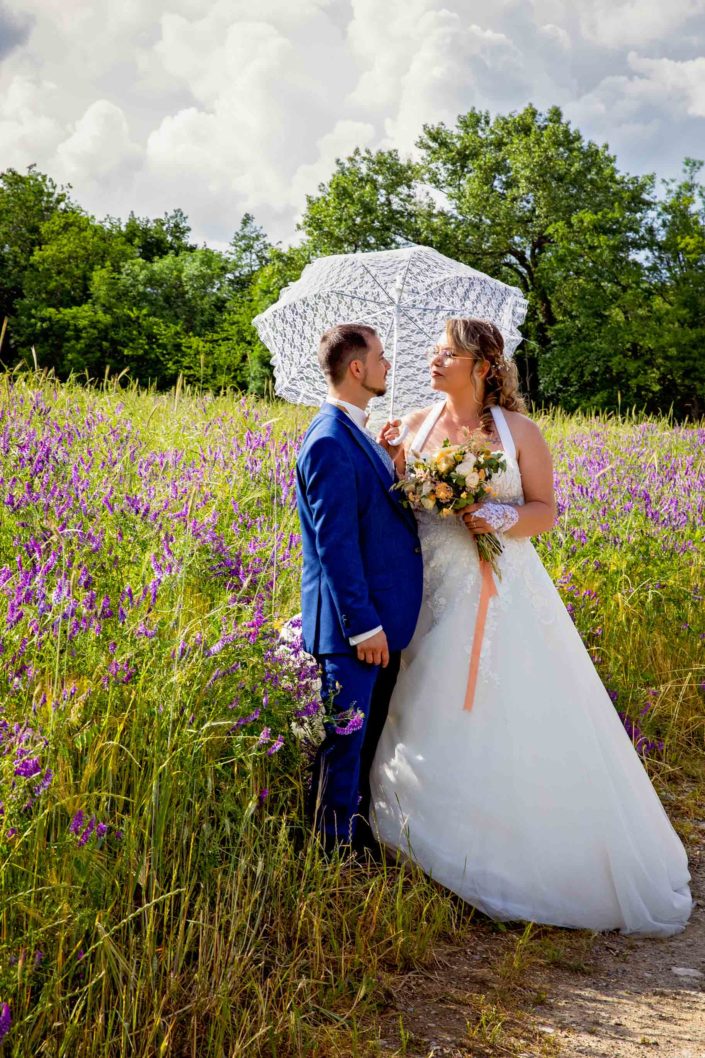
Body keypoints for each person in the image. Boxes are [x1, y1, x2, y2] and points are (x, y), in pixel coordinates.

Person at [369, 317, 692, 935]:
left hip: (504, 593)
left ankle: (505, 862)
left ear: (482, 366)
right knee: (422, 703)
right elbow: (401, 503)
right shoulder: (413, 425)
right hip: (430, 588)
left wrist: (499, 513)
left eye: (445, 354)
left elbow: (546, 509)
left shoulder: (519, 432)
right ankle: (420, 847)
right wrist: (394, 463)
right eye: (433, 352)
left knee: (506, 713)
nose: (432, 362)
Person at [295, 323, 423, 856]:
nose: (387, 366)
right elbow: (336, 547)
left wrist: (392, 460)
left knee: (363, 744)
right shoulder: (327, 440)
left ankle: (353, 837)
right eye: (380, 357)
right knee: (344, 747)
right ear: (356, 368)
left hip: (378, 623)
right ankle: (328, 855)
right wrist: (364, 625)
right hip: (355, 630)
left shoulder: (355, 433)